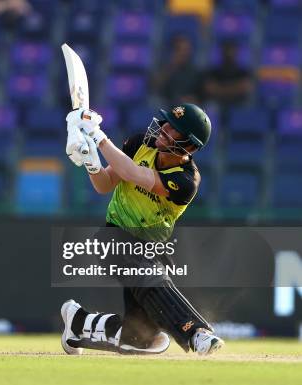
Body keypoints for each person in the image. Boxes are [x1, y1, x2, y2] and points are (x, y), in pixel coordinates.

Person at [62, 103, 224, 356]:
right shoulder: (141, 144)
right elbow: (105, 185)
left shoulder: (185, 180)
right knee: (150, 278)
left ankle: (78, 321)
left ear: (189, 146)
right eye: (167, 122)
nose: (164, 129)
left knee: (140, 337)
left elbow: (134, 174)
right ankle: (197, 333)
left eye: (174, 129)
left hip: (151, 249)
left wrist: (97, 136)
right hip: (114, 237)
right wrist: (91, 164)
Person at [152, 35, 201, 104]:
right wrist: (171, 67)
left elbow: (199, 93)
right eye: (179, 49)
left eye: (186, 50)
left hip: (187, 105)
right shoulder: (163, 66)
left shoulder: (195, 71)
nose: (183, 53)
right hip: (165, 104)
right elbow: (155, 87)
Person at [202, 41, 254, 106]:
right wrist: (235, 89)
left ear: (237, 52)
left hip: (238, 104)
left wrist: (219, 89)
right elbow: (209, 88)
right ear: (222, 52)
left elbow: (246, 87)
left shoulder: (243, 71)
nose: (229, 54)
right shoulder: (214, 71)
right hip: (218, 104)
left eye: (232, 51)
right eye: (227, 51)